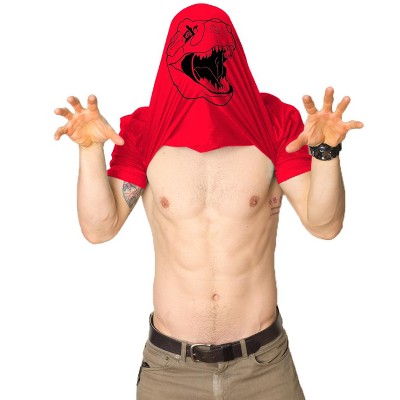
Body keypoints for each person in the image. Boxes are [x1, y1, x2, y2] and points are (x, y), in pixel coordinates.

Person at [54, 3, 363, 400]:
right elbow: (99, 229)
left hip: (264, 367)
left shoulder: (273, 124)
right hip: (170, 372)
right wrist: (89, 151)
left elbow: (325, 224)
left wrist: (325, 153)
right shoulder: (145, 131)